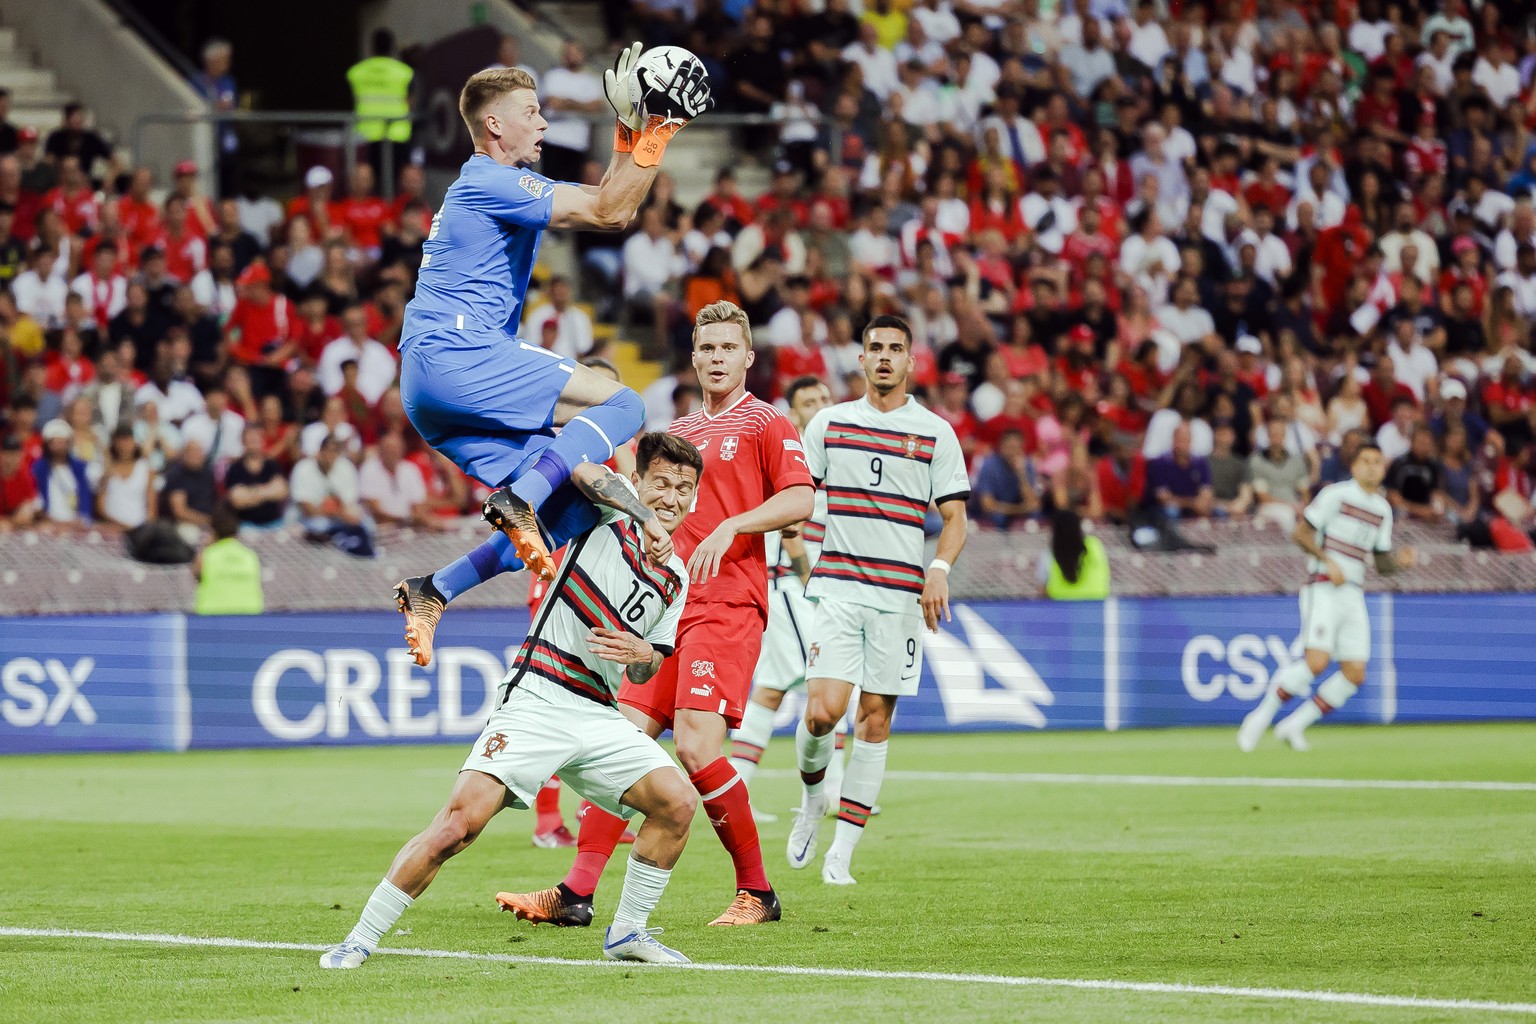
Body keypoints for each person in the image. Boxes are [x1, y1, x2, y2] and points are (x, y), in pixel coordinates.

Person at [320, 433, 702, 969]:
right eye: (660, 482)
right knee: (457, 825)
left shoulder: (676, 578)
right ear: (637, 483)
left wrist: (642, 653)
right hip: (539, 696)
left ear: (696, 499)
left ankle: (629, 932)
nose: (672, 497)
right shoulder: (604, 516)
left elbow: (646, 664)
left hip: (597, 711)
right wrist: (643, 514)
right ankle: (358, 938)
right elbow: (585, 472)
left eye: (684, 488)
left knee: (677, 804)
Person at [498, 300, 814, 927]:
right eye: (707, 348)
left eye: (729, 348)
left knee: (697, 748)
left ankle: (758, 891)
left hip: (726, 603)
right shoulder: (678, 438)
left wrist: (731, 527)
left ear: (747, 358)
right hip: (665, 611)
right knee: (623, 745)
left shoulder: (766, 423)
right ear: (694, 357)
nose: (717, 358)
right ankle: (577, 893)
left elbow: (801, 497)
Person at [396, 53, 711, 583]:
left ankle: (435, 589)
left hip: (432, 387)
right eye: (532, 112)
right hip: (458, 351)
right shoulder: (489, 181)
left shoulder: (492, 187)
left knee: (575, 505)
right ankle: (520, 498)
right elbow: (611, 212)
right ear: (494, 125)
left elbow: (616, 203)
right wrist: (661, 129)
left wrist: (629, 131)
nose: (544, 123)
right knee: (625, 403)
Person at [786, 314, 970, 885]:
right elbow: (798, 496)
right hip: (838, 589)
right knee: (822, 712)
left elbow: (956, 518)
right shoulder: (830, 425)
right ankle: (813, 798)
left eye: (895, 348)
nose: (885, 357)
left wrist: (938, 569)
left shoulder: (936, 432)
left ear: (911, 361)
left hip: (898, 598)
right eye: (875, 348)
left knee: (875, 720)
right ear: (860, 360)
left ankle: (842, 851)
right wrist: (789, 541)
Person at [1237, 442, 1416, 753]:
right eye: (1366, 461)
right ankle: (1260, 717)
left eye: (1378, 462)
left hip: (1353, 592)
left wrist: (1400, 561)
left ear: (1384, 469)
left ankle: (1295, 724)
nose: (1372, 467)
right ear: (1355, 466)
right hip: (1323, 587)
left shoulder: (1382, 510)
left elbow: (1382, 563)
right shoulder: (1337, 495)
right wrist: (1328, 560)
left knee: (1354, 673)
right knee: (1316, 662)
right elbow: (1301, 533)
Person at [727, 375, 839, 822]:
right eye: (809, 401)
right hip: (788, 587)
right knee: (829, 684)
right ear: (793, 413)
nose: (820, 405)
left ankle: (735, 794)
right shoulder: (789, 450)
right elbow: (793, 532)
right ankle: (832, 792)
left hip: (783, 588)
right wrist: (812, 585)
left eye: (825, 398)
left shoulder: (827, 453)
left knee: (770, 694)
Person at [193, 505, 264, 615]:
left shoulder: (207, 555)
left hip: (212, 617)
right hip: (248, 616)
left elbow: (196, 574)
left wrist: (206, 545)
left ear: (213, 530)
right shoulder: (250, 556)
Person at [1039, 510, 1110, 600]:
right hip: (1095, 606)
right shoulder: (1095, 545)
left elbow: (1042, 591)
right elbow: (1106, 576)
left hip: (1060, 608)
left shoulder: (1049, 555)